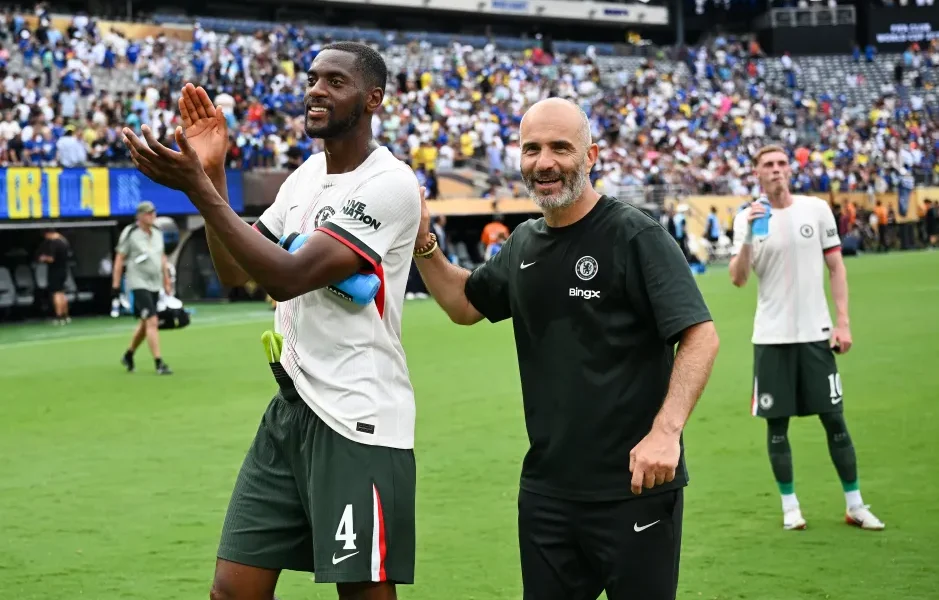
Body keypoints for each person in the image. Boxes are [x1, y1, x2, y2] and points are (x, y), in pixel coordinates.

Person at [120, 42, 421, 600]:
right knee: (231, 590)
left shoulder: (390, 183)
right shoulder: (305, 176)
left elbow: (286, 276)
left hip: (357, 417)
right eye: (312, 79)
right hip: (290, 410)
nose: (316, 90)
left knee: (361, 592)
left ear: (373, 99)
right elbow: (236, 271)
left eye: (335, 81)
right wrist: (212, 175)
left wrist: (198, 188)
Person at [412, 97, 720, 600]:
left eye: (560, 147)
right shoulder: (523, 244)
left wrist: (666, 433)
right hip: (547, 494)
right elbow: (464, 304)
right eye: (531, 149)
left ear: (591, 156)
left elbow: (700, 334)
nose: (545, 162)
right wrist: (423, 242)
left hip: (635, 488)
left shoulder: (634, 235)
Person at [729, 144, 885, 531]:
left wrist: (843, 322)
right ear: (757, 173)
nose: (777, 169)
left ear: (790, 170)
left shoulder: (815, 210)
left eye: (782, 163)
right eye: (768, 164)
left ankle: (855, 504)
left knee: (834, 420)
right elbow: (738, 278)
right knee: (776, 425)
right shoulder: (747, 218)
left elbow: (836, 268)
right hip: (771, 337)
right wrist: (747, 238)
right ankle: (790, 507)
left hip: (816, 334)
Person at [112, 201, 174, 375]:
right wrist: (115, 284)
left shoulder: (157, 232)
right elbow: (120, 258)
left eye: (153, 212)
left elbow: (162, 258)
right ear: (139, 216)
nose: (152, 215)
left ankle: (129, 354)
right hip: (138, 281)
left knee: (145, 322)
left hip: (155, 282)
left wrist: (166, 280)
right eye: (148, 213)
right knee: (152, 320)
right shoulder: (130, 232)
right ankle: (159, 362)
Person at [37, 228, 71, 325]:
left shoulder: (54, 243)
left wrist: (43, 258)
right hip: (64, 270)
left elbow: (52, 259)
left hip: (55, 271)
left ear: (48, 234)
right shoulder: (64, 241)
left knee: (56, 293)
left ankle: (59, 316)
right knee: (62, 293)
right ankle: (66, 316)